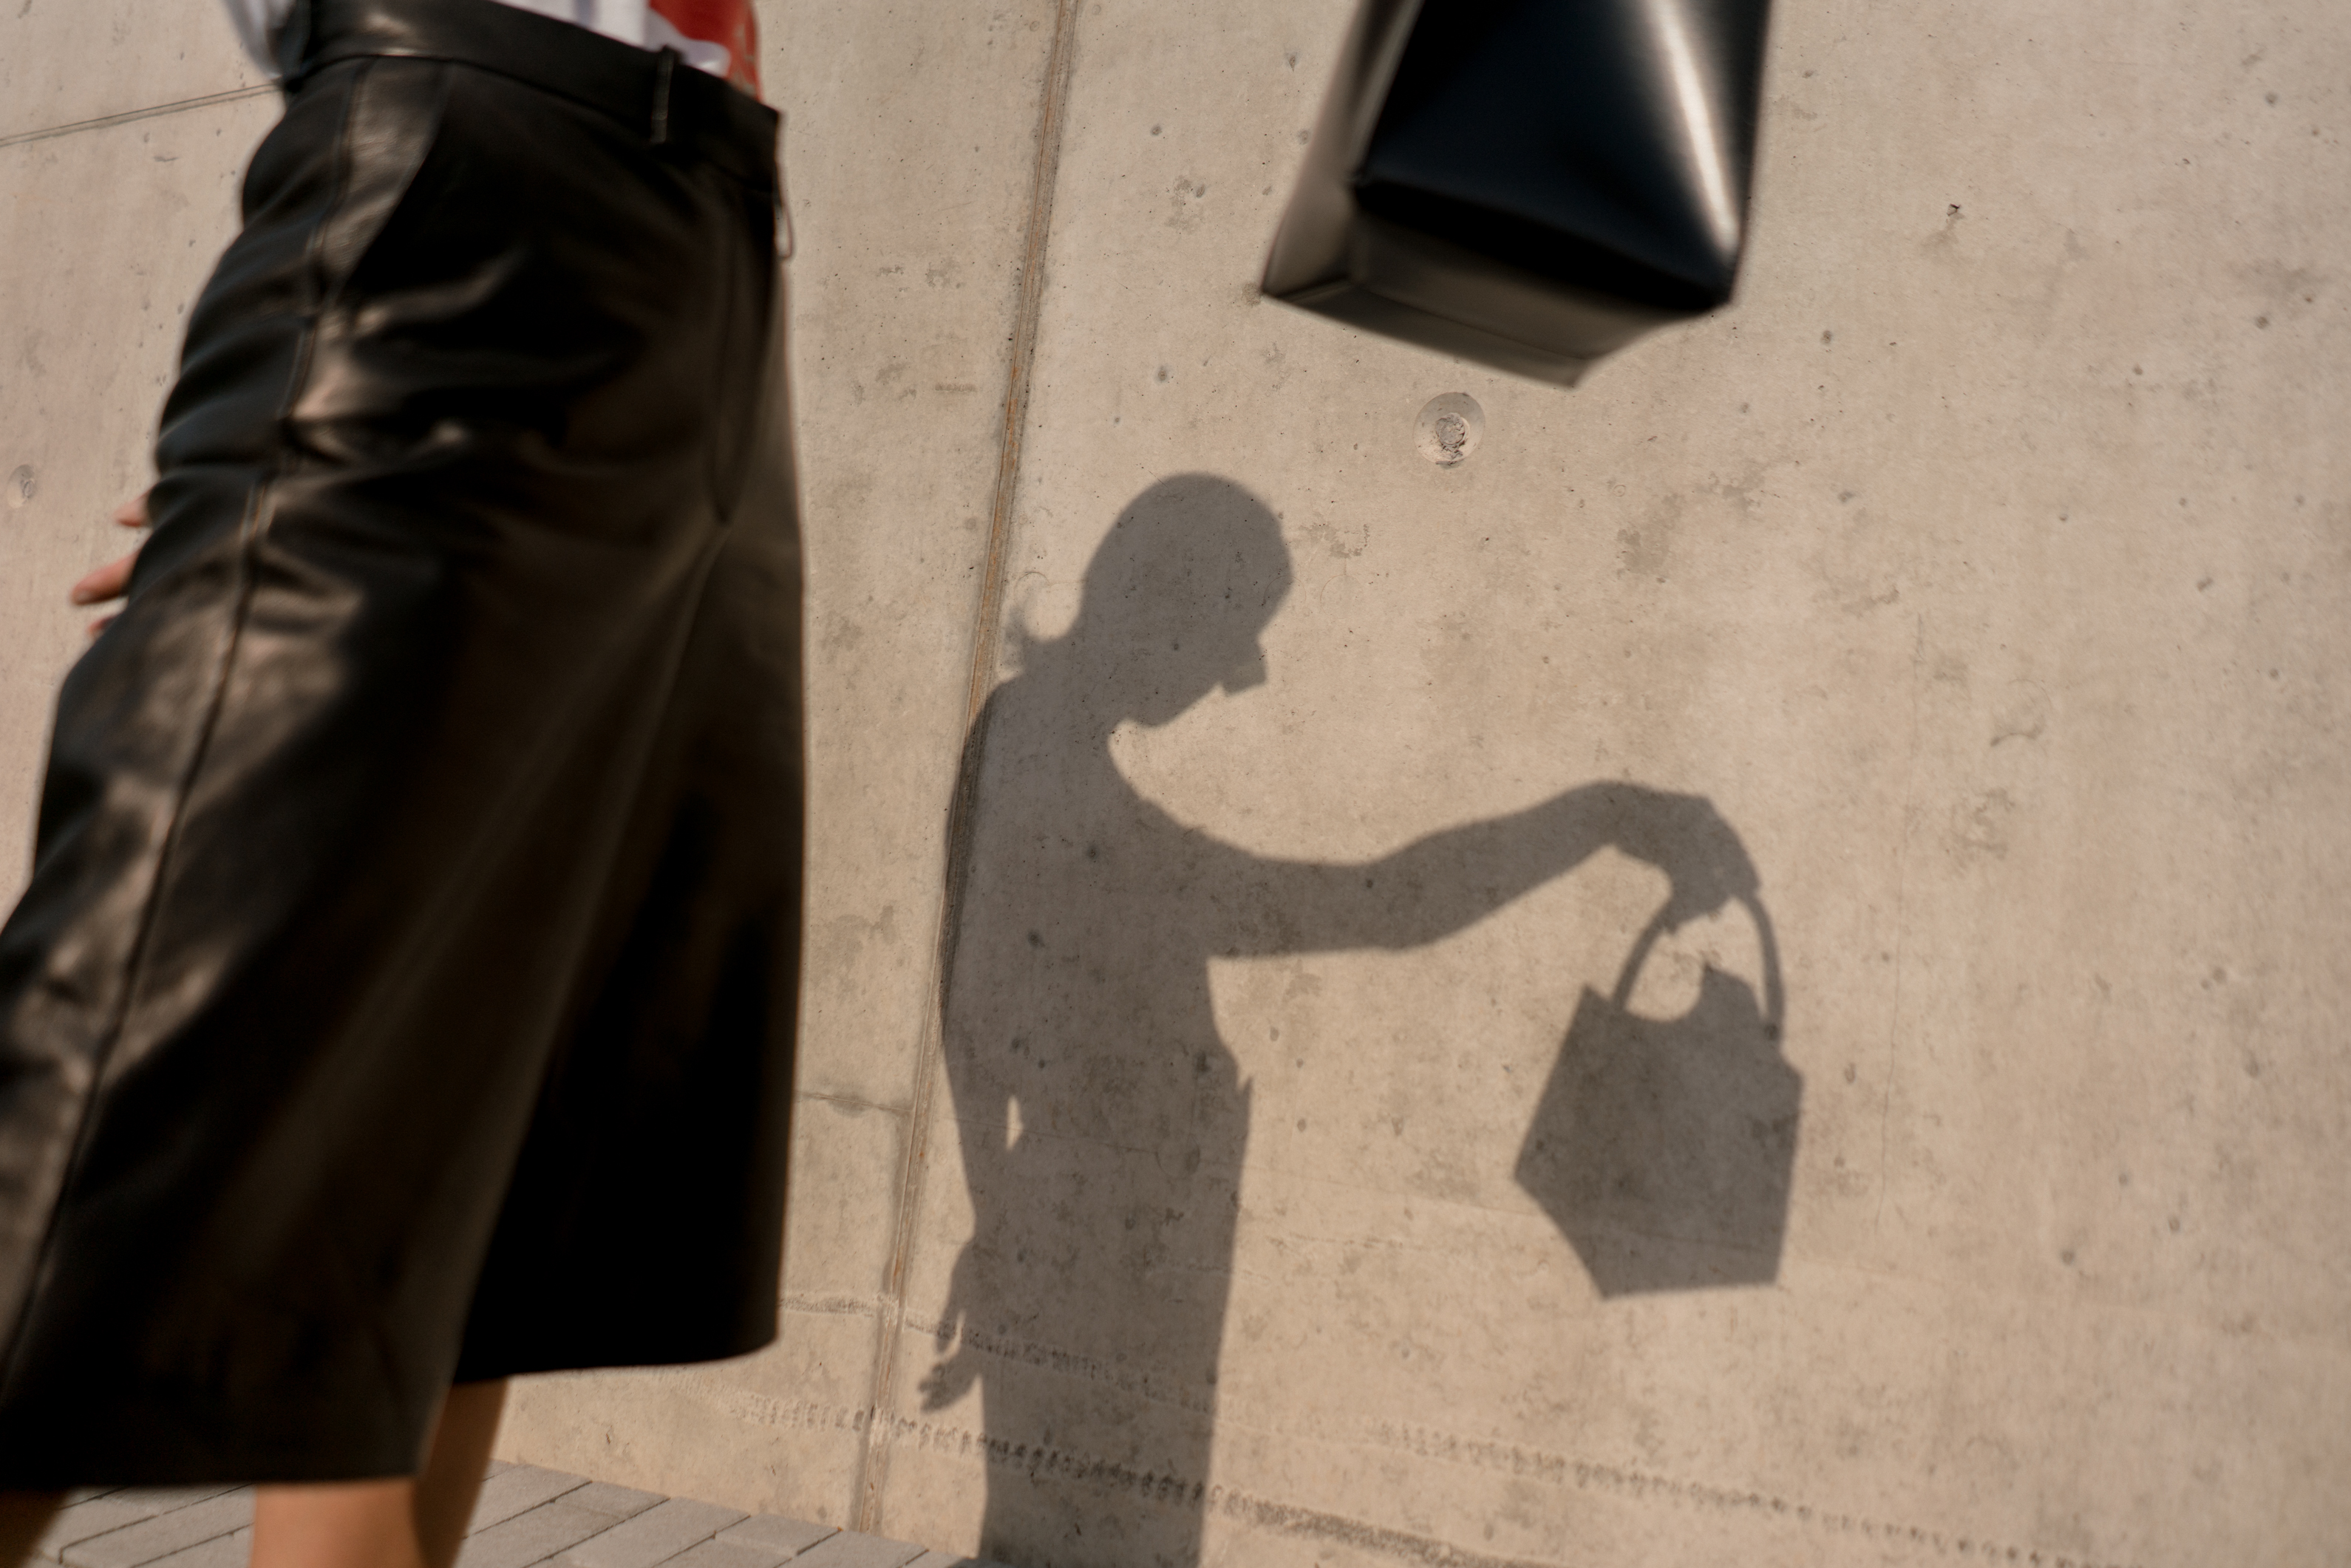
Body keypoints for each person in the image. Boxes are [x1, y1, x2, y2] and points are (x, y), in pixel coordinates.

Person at [0, 2, 804, 1565]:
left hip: (701, 239)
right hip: (467, 166)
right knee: (127, 1052)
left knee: (484, 1104)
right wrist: (327, 330)